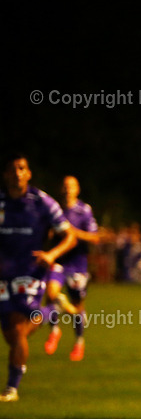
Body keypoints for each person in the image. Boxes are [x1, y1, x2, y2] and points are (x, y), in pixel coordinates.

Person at [0, 155, 77, 401]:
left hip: (30, 271)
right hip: (3, 273)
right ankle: (50, 312)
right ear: (5, 175)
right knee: (10, 333)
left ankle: (12, 388)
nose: (17, 174)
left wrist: (51, 254)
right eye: (12, 170)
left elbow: (70, 236)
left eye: (22, 169)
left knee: (17, 329)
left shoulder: (42, 202)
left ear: (29, 173)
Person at [43, 175, 100, 360]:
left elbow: (95, 237)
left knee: (78, 306)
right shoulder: (55, 209)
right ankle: (55, 331)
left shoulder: (84, 210)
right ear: (61, 189)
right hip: (59, 260)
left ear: (78, 189)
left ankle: (79, 342)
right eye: (65, 186)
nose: (68, 189)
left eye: (72, 186)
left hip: (78, 264)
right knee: (51, 294)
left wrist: (73, 233)